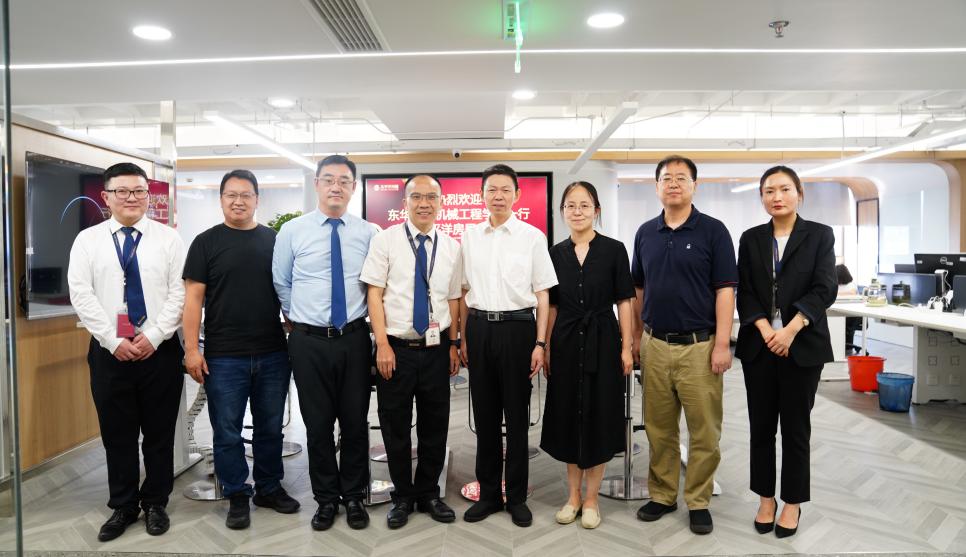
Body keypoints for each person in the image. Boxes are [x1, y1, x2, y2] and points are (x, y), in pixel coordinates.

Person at [67, 163, 186, 541]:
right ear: (106, 196)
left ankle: (155, 503)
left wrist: (154, 335)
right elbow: (81, 294)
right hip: (109, 352)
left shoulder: (169, 239)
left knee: (159, 433)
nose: (131, 198)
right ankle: (123, 505)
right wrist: (113, 340)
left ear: (148, 196)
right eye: (122, 191)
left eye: (138, 191)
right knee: (116, 434)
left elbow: (179, 293)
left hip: (160, 351)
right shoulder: (88, 241)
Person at [182, 170, 299, 530]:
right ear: (221, 199)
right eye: (231, 195)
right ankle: (236, 493)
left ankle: (269, 487)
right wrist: (191, 349)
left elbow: (286, 292)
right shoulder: (205, 242)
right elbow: (193, 300)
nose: (238, 201)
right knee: (227, 431)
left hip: (272, 352)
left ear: (256, 199)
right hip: (223, 356)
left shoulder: (274, 240)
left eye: (245, 195)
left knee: (270, 427)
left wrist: (297, 331)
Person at [631, 155, 737, 535]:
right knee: (659, 429)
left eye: (681, 178)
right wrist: (636, 338)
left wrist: (723, 343)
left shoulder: (713, 231)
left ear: (695, 185)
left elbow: (726, 290)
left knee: (704, 430)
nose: (673, 184)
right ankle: (662, 495)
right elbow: (638, 289)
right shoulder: (645, 232)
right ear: (656, 186)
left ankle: (698, 500)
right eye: (666, 178)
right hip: (655, 344)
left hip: (700, 347)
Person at [272, 154, 377, 531]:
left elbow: (374, 286)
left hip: (354, 338)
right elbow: (281, 281)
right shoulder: (292, 231)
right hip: (308, 342)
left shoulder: (369, 232)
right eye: (329, 179)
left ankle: (354, 496)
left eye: (344, 181)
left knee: (354, 422)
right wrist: (300, 316)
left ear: (354, 187)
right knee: (317, 425)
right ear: (316, 184)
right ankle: (326, 499)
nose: (336, 186)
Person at [735, 165, 837, 539]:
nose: (776, 197)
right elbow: (745, 290)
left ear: (799, 193)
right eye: (769, 191)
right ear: (761, 197)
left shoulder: (819, 235)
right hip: (760, 347)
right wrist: (766, 330)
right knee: (761, 428)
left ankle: (792, 502)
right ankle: (766, 499)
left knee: (795, 429)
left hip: (802, 345)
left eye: (784, 189)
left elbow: (825, 288)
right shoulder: (751, 238)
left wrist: (791, 329)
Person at [361, 174, 462, 529]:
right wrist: (382, 344)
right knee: (396, 425)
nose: (424, 204)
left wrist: (454, 344)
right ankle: (403, 495)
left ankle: (429, 493)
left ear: (441, 203)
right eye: (416, 197)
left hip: (436, 348)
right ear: (404, 202)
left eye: (431, 197)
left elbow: (454, 298)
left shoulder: (451, 246)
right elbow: (374, 294)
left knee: (436, 423)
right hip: (396, 349)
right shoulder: (385, 241)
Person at [460, 163, 558, 527]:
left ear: (517, 195)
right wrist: (463, 337)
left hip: (519, 330)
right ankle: (488, 494)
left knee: (517, 418)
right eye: (491, 189)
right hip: (479, 328)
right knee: (485, 417)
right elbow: (463, 291)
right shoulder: (470, 236)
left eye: (505, 190)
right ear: (482, 195)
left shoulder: (532, 237)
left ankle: (516, 497)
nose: (498, 196)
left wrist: (540, 342)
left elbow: (543, 294)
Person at [540, 181, 635, 529]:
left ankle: (592, 498)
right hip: (565, 341)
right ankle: (573, 496)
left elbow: (625, 301)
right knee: (570, 415)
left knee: (599, 415)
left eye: (584, 205)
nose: (577, 211)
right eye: (570, 205)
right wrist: (546, 346)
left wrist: (626, 347)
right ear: (562, 211)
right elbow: (551, 306)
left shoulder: (614, 250)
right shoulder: (554, 253)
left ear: (596, 210)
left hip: (603, 339)